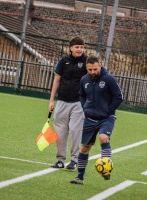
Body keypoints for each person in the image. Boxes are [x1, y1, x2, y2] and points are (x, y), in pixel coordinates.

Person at [70, 55, 123, 184]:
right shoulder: (84, 80)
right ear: (86, 68)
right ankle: (80, 178)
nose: (93, 72)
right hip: (90, 118)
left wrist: (108, 110)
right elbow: (82, 95)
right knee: (84, 149)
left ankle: (106, 169)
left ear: (100, 65)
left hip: (106, 118)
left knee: (103, 137)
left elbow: (119, 96)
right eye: (90, 70)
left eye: (95, 69)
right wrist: (85, 108)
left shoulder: (109, 79)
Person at [49, 37, 87, 171]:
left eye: (81, 47)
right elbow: (56, 81)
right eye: (77, 47)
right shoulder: (63, 61)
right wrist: (52, 100)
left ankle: (74, 160)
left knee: (76, 131)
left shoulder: (87, 62)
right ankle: (60, 160)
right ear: (70, 48)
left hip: (79, 103)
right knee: (60, 131)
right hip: (62, 101)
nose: (79, 49)